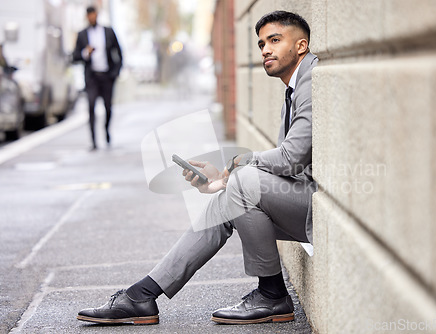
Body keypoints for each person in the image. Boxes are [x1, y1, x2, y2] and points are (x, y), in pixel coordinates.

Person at [76, 10, 318, 325]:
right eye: (261, 44)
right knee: (223, 204)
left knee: (242, 183)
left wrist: (239, 166)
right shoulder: (294, 86)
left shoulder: (311, 80)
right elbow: (284, 168)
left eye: (275, 40)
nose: (265, 50)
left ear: (300, 46)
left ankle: (272, 294)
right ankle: (142, 296)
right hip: (298, 199)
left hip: (314, 208)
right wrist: (222, 180)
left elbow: (292, 158)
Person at [73, 6, 122, 150]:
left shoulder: (108, 31)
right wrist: (85, 53)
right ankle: (94, 141)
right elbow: (75, 56)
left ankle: (106, 130)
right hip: (92, 77)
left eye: (93, 15)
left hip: (107, 76)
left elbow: (119, 52)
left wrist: (116, 72)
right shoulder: (82, 35)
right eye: (89, 15)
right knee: (91, 106)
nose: (91, 18)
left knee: (108, 107)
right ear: (87, 17)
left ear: (97, 15)